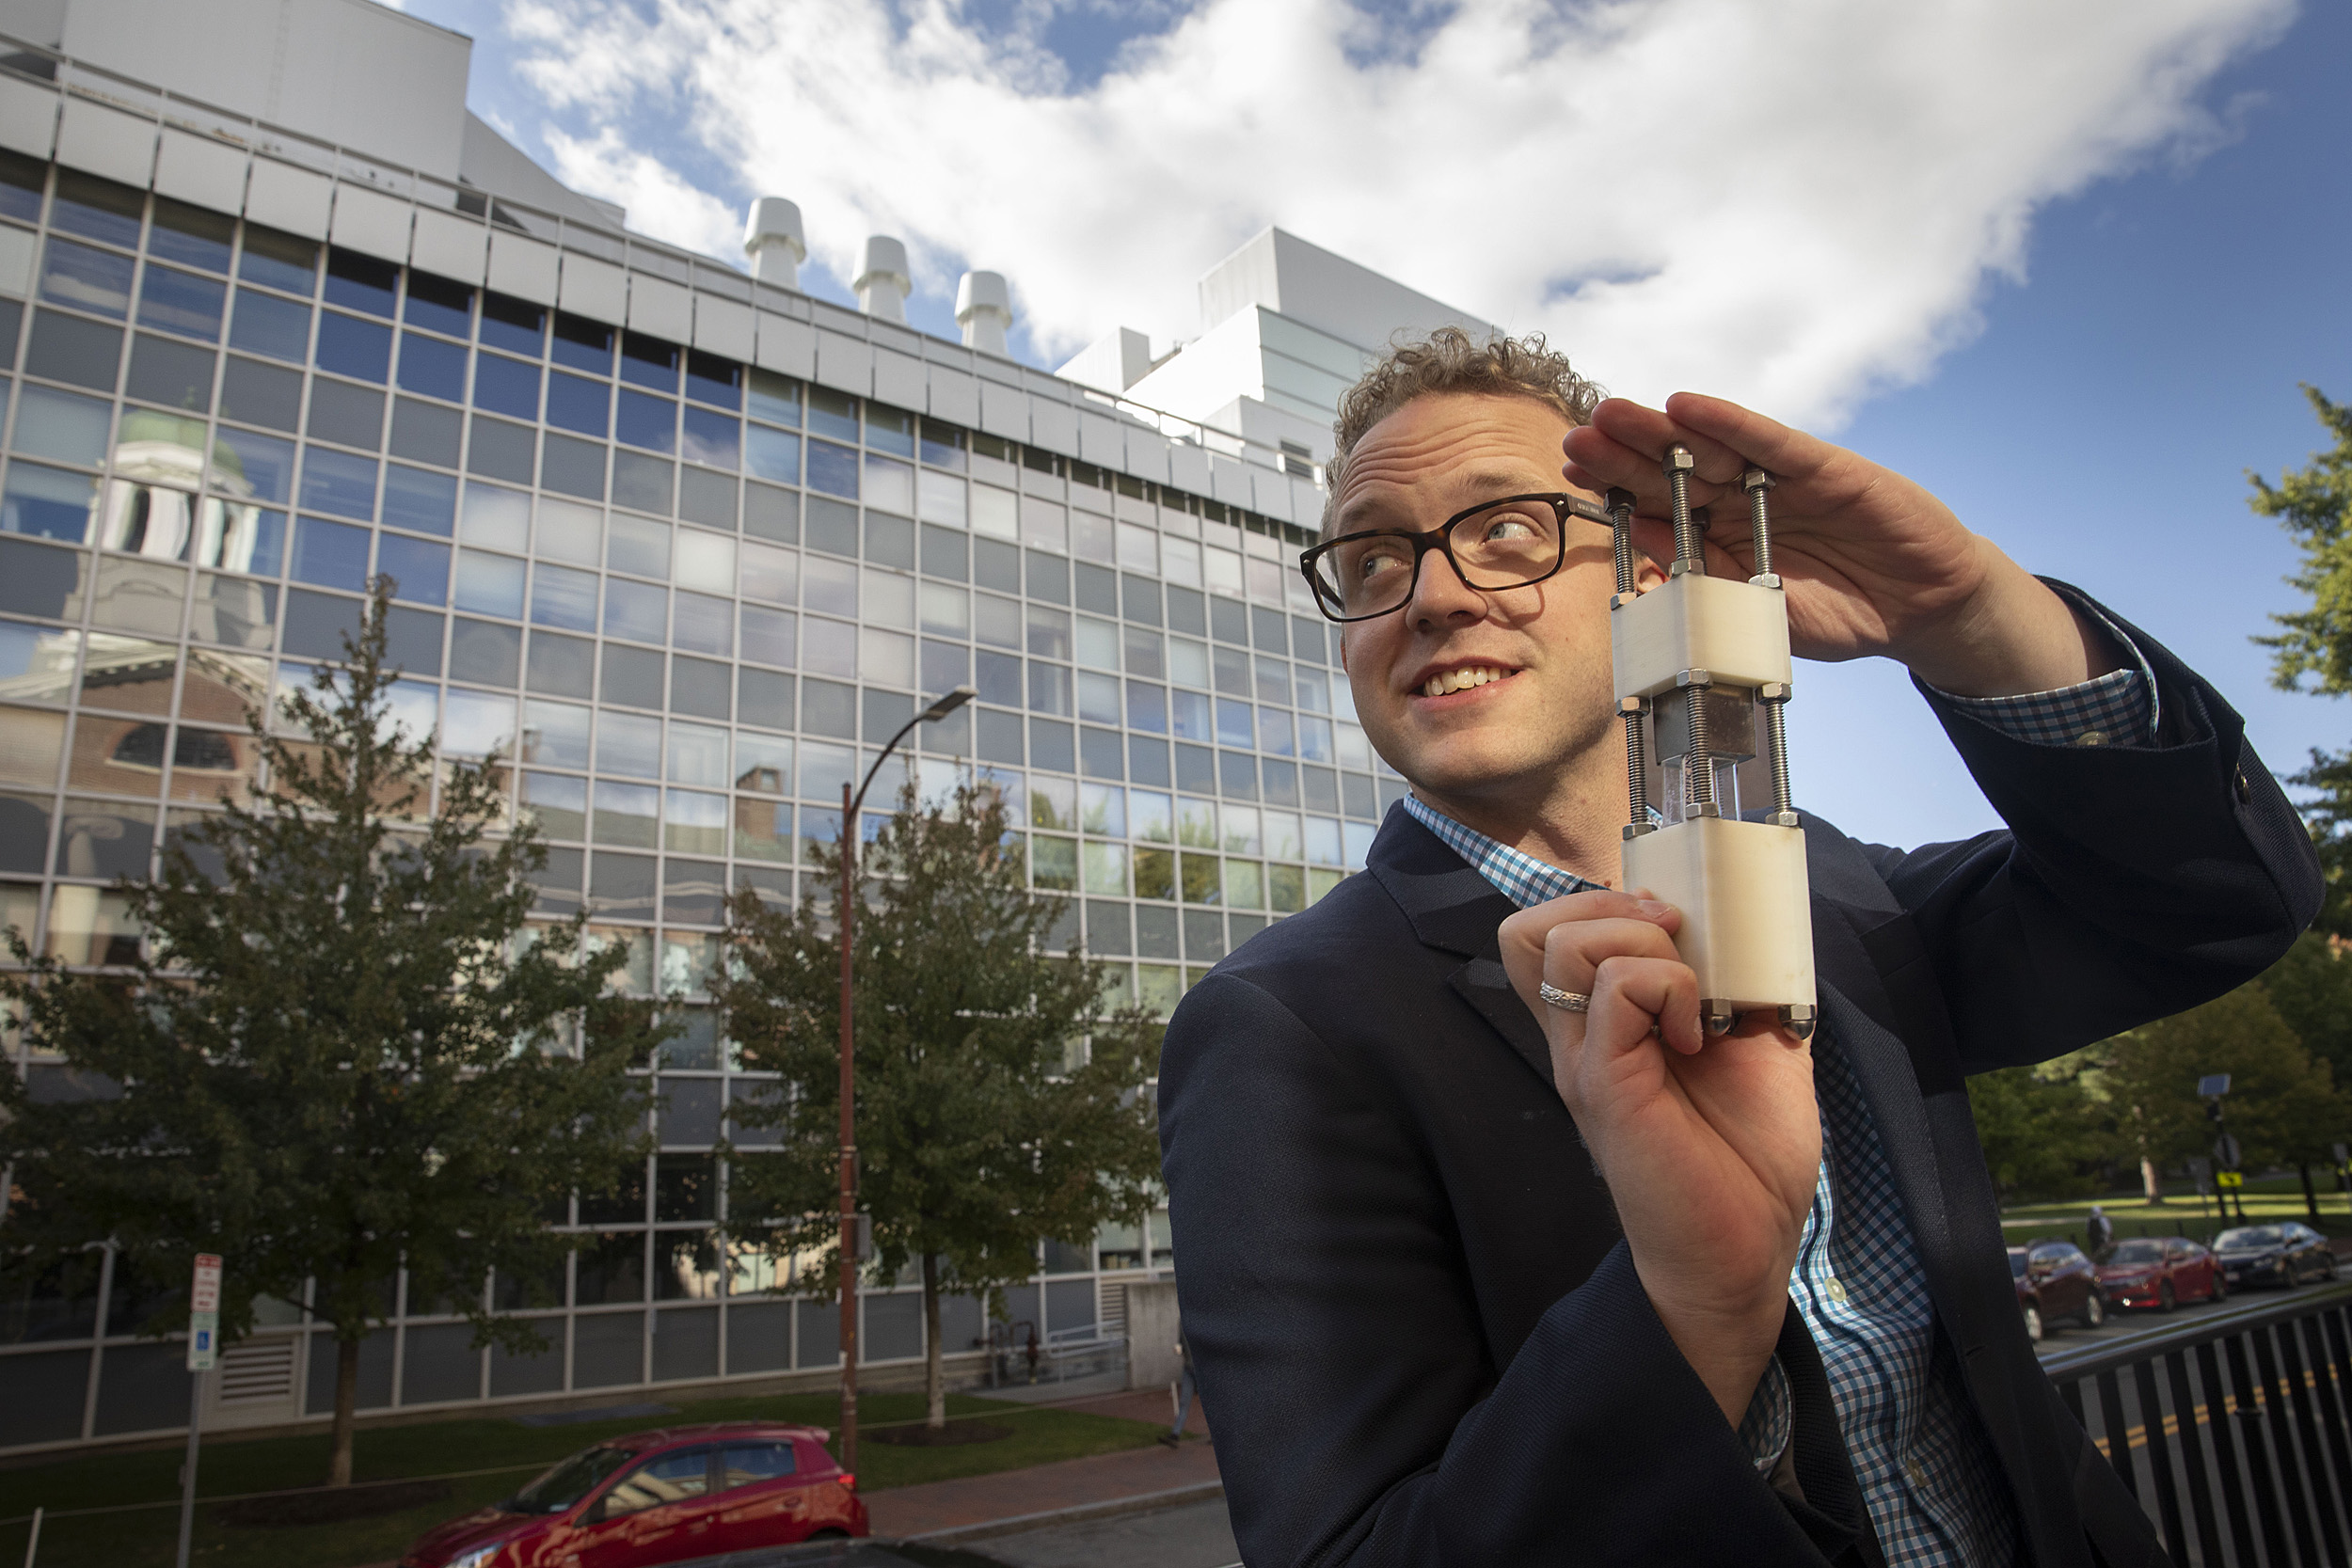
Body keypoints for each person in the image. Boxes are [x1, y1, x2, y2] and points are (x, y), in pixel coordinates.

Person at [1156, 329, 2318, 1567]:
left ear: (1651, 577)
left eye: (1506, 530)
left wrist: (1969, 608)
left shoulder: (1840, 891)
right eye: (1375, 555)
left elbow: (2216, 901)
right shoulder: (1286, 1025)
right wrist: (1689, 1312)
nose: (1434, 596)